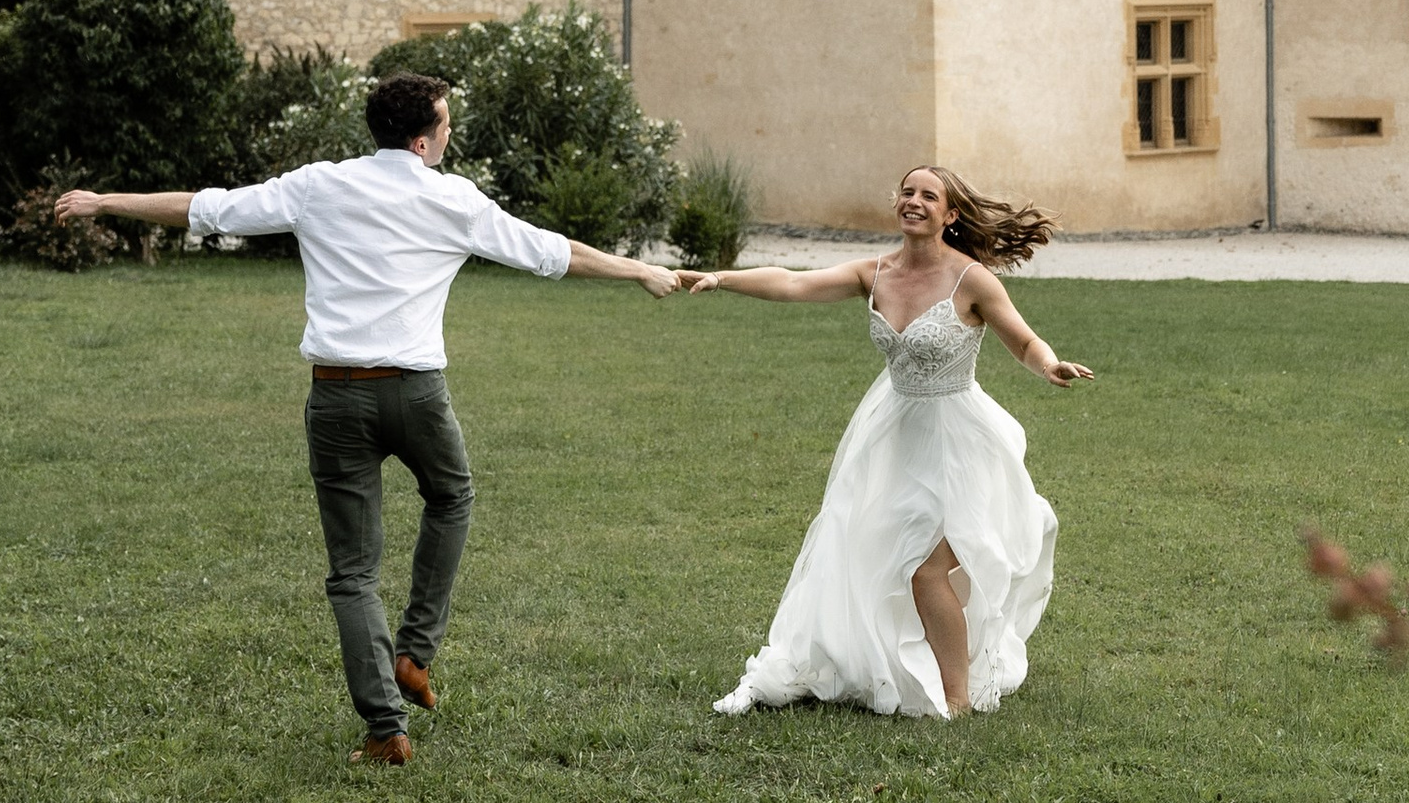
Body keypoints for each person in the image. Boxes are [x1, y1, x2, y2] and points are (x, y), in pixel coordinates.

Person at [55, 70, 677, 765]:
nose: (448, 135)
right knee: (452, 496)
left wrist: (105, 200)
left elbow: (207, 208)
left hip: (337, 397)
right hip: (417, 396)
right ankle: (416, 651)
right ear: (421, 140)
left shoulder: (321, 184)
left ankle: (387, 729)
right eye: (445, 125)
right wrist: (636, 270)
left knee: (353, 573)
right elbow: (550, 252)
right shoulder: (452, 199)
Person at [688, 163, 1090, 720]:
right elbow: (794, 281)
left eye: (930, 196)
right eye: (907, 192)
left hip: (961, 442)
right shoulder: (873, 273)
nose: (915, 202)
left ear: (950, 215)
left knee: (928, 570)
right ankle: (876, 663)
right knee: (874, 557)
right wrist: (723, 278)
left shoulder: (971, 279)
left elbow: (1023, 340)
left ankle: (957, 702)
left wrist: (1048, 365)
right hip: (894, 436)